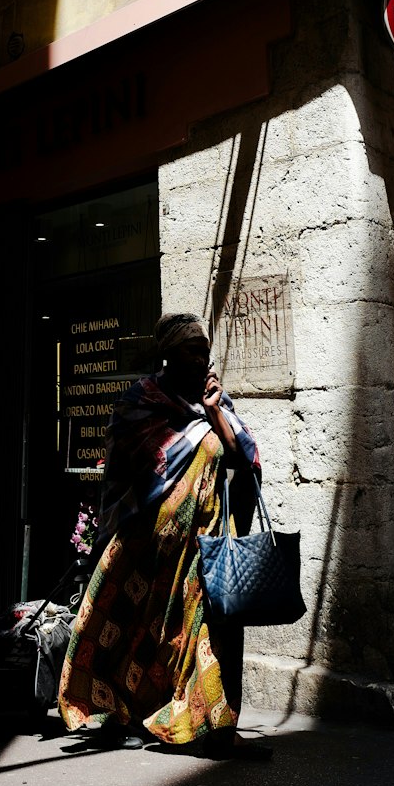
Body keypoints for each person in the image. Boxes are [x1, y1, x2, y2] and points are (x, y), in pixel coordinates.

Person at [57, 312, 264, 755]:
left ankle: (213, 726)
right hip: (148, 545)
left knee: (204, 633)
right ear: (168, 355)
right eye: (192, 349)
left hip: (202, 545)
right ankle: (127, 710)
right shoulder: (142, 402)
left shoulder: (213, 405)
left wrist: (214, 413)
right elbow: (125, 470)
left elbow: (243, 460)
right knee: (138, 633)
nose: (201, 357)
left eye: (205, 350)